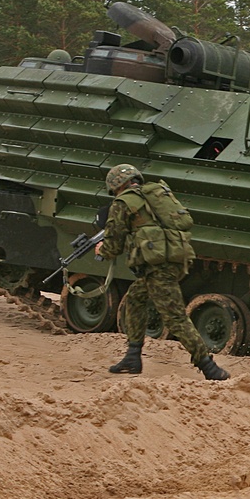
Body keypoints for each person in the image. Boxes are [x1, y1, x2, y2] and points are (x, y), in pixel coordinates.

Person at [96, 163, 230, 380]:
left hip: (157, 267)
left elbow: (113, 247)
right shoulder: (154, 195)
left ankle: (210, 367)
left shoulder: (122, 203)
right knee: (135, 299)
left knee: (175, 317)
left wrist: (102, 248)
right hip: (172, 262)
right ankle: (133, 356)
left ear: (116, 186)